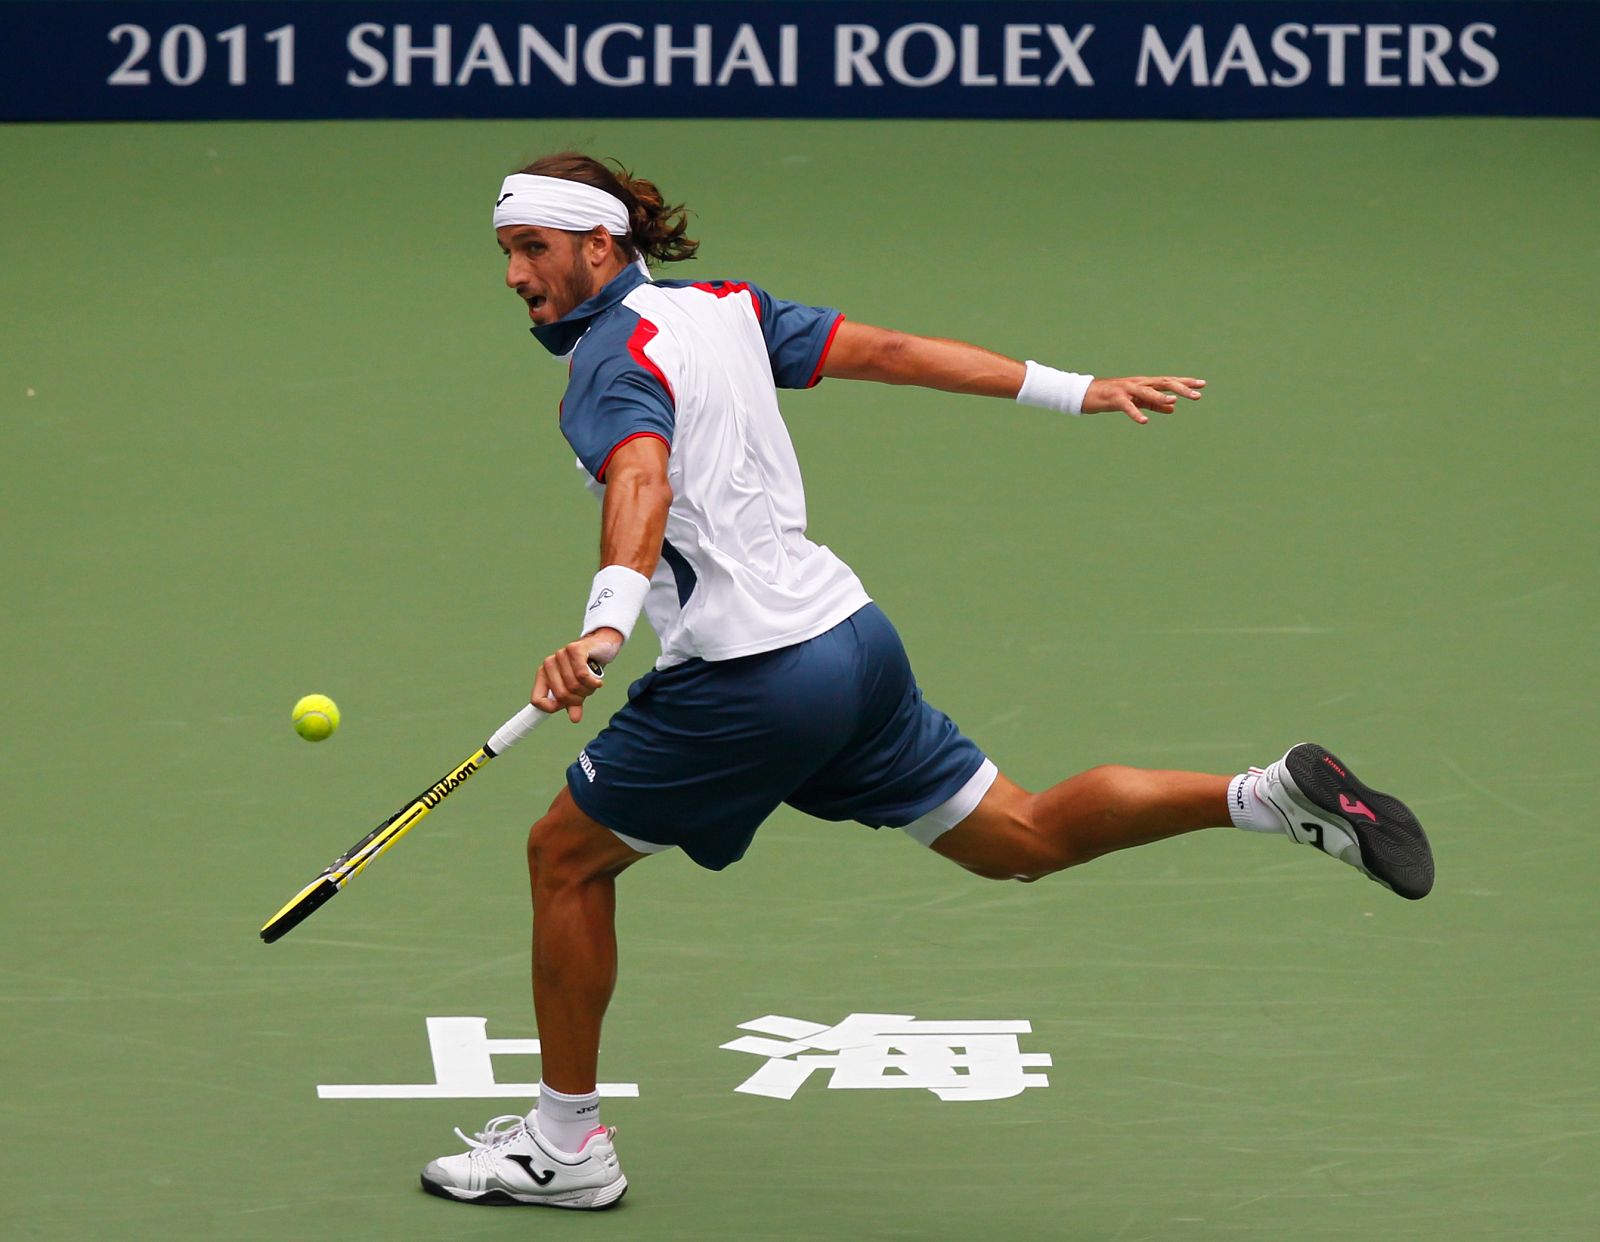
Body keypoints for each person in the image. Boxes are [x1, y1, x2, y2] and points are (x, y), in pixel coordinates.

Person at [420, 153, 1435, 1209]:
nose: (513, 275)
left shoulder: (606, 365)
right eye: (505, 253)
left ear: (597, 244)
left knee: (565, 859)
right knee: (1019, 836)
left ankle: (565, 1147)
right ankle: (1265, 795)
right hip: (850, 642)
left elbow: (641, 473)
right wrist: (1070, 389)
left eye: (530, 249)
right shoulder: (723, 306)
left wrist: (601, 626)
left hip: (748, 677)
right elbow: (891, 352)